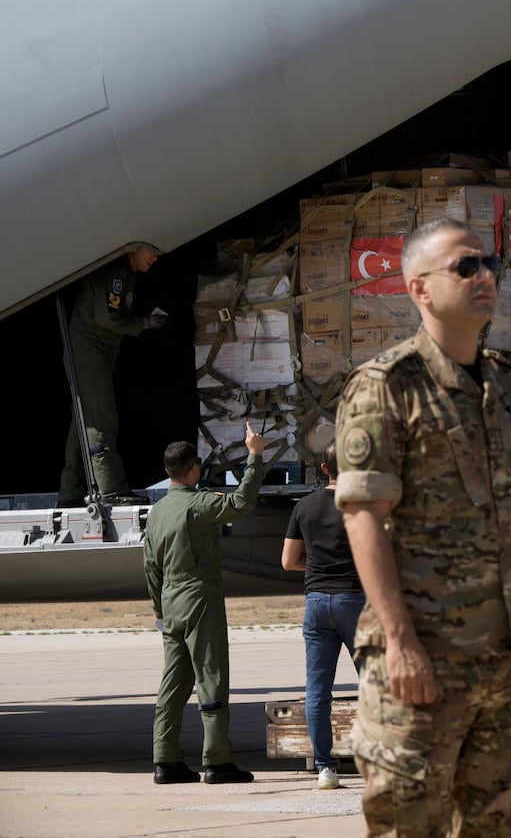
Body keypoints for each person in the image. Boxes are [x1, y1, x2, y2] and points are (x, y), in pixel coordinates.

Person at [335, 217, 511, 837]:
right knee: (411, 827)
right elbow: (363, 518)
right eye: (465, 267)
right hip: (425, 663)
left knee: (503, 827)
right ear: (420, 289)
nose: (484, 276)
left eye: (489, 265)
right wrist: (401, 644)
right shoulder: (385, 387)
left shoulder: (509, 386)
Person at [144, 421, 266, 785]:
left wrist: (160, 612)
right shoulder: (198, 505)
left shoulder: (157, 513)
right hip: (200, 600)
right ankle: (217, 760)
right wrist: (255, 456)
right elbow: (242, 502)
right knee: (210, 676)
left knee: (173, 683)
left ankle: (165, 760)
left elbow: (150, 567)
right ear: (193, 469)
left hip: (170, 604)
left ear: (168, 472)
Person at [282, 441, 366, 790]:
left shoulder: (304, 506)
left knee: (318, 692)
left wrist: (316, 569)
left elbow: (288, 561)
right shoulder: (363, 507)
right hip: (355, 600)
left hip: (317, 602)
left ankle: (324, 767)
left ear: (324, 470)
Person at [59, 244, 167, 507]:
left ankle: (70, 491)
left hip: (99, 350)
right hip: (89, 349)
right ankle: (111, 490)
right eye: (151, 250)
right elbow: (107, 317)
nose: (155, 257)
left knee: (83, 421)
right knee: (102, 419)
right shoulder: (117, 274)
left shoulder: (127, 275)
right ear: (134, 249)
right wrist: (144, 323)